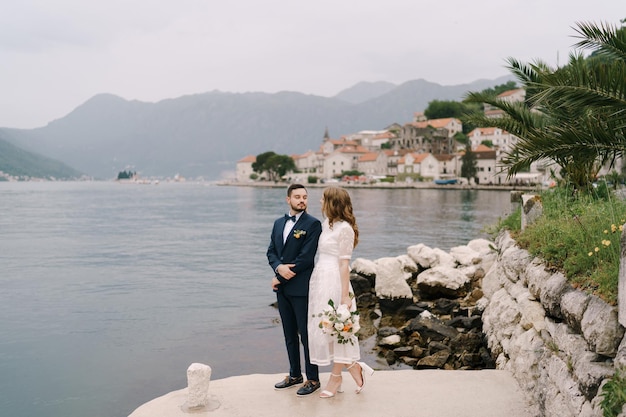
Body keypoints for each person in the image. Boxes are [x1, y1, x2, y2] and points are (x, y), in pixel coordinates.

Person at [307, 186, 374, 398]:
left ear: (332, 203)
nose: (319, 202)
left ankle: (335, 378)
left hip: (336, 280)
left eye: (322, 199)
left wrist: (345, 297)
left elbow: (344, 264)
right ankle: (354, 366)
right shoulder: (327, 225)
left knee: (339, 330)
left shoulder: (345, 228)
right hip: (320, 278)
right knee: (325, 329)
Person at [267, 183, 323, 396]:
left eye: (305, 197)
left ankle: (313, 379)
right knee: (289, 333)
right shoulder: (278, 223)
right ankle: (294, 374)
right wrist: (278, 268)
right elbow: (271, 251)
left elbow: (306, 258)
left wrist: (279, 276)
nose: (302, 200)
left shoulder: (313, 224)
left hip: (302, 287)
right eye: (297, 196)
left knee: (306, 336)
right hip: (282, 289)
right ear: (288, 199)